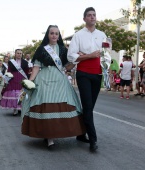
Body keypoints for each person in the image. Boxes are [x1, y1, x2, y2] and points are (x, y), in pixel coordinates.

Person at [21, 25, 85, 149]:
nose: (54, 35)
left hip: (60, 80)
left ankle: (57, 132)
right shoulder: (41, 49)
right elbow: (36, 67)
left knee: (62, 103)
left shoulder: (63, 49)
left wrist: (77, 60)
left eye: (56, 33)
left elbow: (67, 68)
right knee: (45, 104)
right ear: (48, 35)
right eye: (52, 33)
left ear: (59, 35)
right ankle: (49, 138)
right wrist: (30, 82)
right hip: (44, 79)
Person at [67, 7, 107, 152]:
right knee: (88, 106)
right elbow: (71, 56)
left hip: (97, 74)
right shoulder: (78, 35)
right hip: (83, 73)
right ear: (84, 19)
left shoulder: (102, 34)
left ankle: (80, 133)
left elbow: (105, 54)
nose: (92, 17)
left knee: (89, 107)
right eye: (89, 15)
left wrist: (102, 61)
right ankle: (93, 140)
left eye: (94, 15)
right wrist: (88, 56)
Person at [0, 49, 29, 115]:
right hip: (13, 79)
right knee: (14, 94)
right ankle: (15, 109)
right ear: (15, 54)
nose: (19, 54)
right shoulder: (11, 62)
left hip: (22, 79)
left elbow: (27, 72)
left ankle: (20, 108)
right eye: (18, 53)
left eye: (20, 53)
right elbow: (9, 70)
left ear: (22, 54)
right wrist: (7, 78)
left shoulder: (25, 62)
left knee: (21, 93)